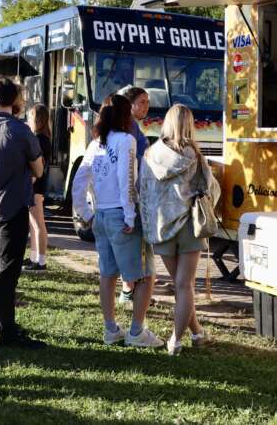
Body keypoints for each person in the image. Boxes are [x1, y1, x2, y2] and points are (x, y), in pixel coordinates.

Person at [72, 94, 162, 349]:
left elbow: (79, 181)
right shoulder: (127, 140)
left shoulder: (95, 144)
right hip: (121, 215)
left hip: (100, 214)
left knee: (108, 274)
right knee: (145, 275)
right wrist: (130, 215)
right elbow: (127, 178)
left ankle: (111, 328)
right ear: (125, 115)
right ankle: (136, 331)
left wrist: (86, 213)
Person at [139, 104, 218, 354]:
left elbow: (143, 191)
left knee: (181, 284)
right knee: (185, 286)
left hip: (162, 227)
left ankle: (196, 333)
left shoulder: (151, 154)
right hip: (189, 226)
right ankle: (177, 340)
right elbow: (210, 188)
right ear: (189, 123)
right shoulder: (194, 154)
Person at [0, 78, 46, 349]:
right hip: (13, 205)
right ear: (15, 100)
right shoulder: (21, 130)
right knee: (9, 268)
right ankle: (8, 330)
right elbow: (38, 170)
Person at [117, 86, 151, 305]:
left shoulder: (132, 125)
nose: (147, 106)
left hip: (133, 192)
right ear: (130, 105)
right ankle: (129, 291)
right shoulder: (129, 127)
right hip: (133, 194)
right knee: (133, 246)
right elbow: (130, 166)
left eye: (147, 101)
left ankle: (128, 289)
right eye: (142, 102)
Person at [23, 104, 52, 272]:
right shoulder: (41, 138)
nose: (28, 120)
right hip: (35, 184)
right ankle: (34, 257)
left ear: (38, 120)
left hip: (35, 185)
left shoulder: (40, 140)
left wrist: (29, 184)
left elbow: (38, 166)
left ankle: (41, 261)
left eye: (30, 117)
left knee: (38, 223)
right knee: (33, 224)